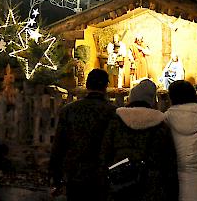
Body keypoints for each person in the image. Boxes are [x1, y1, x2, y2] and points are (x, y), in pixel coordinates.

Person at [101, 79, 179, 200]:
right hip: (153, 186)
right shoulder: (160, 125)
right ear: (153, 100)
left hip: (121, 183)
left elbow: (105, 153)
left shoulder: (116, 122)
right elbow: (169, 161)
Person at [50, 69, 116, 201]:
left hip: (75, 173)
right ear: (105, 87)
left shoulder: (69, 110)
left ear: (87, 85)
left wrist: (56, 177)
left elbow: (59, 146)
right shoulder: (113, 112)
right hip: (102, 175)